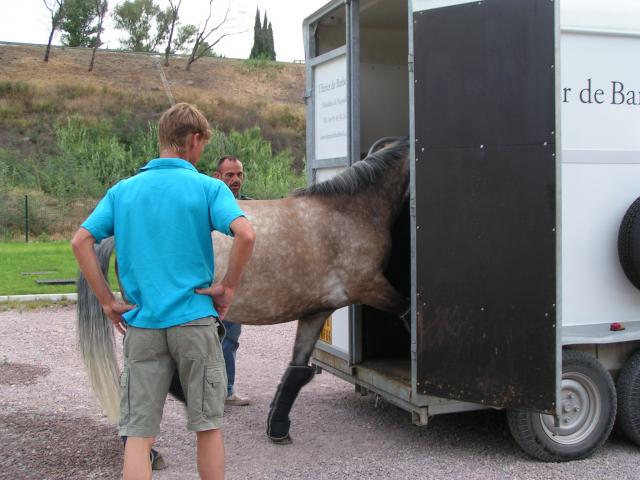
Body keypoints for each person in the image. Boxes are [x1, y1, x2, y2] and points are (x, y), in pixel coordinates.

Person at [71, 103, 255, 480]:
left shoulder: (123, 191)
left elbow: (81, 242)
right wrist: (228, 286)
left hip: (143, 328)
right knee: (207, 426)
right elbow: (246, 234)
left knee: (138, 435)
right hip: (194, 322)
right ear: (193, 139)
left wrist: (107, 301)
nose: (202, 151)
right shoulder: (208, 188)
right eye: (203, 143)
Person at [213, 155, 252, 406]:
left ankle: (226, 390)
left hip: (233, 284)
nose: (236, 180)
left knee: (230, 337)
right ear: (218, 176)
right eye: (230, 175)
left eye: (239, 174)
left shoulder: (249, 207)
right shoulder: (209, 202)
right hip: (209, 281)